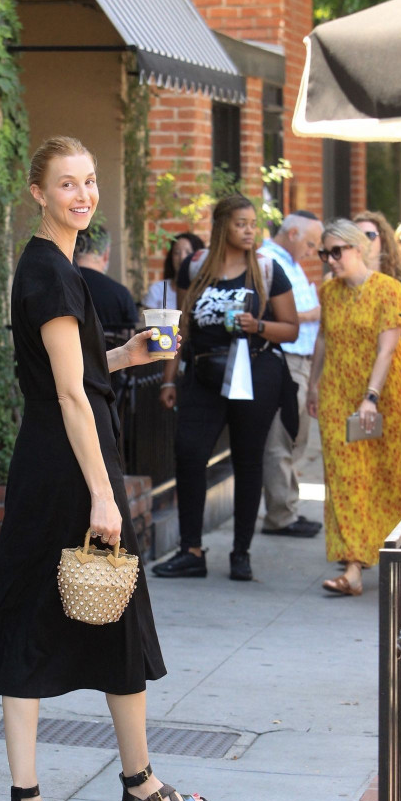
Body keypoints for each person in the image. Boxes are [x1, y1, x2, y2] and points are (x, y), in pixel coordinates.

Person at [0, 136, 209, 801]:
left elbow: (66, 375)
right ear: (37, 193)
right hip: (73, 470)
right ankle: (140, 789)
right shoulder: (51, 272)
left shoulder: (49, 267)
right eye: (67, 183)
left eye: (90, 180)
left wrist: (124, 356)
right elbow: (71, 396)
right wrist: (104, 495)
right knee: (118, 619)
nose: (83, 194)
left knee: (26, 619)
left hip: (51, 464)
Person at [153, 194, 298, 582]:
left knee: (248, 459)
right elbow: (179, 327)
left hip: (254, 372)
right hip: (203, 373)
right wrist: (169, 377)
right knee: (189, 452)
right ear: (221, 227)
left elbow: (291, 328)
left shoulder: (266, 269)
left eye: (253, 224)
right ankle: (191, 551)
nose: (250, 231)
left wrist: (259, 326)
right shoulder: (195, 267)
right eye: (240, 224)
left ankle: (241, 553)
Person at [307, 219, 401, 596]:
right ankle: (352, 569)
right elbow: (323, 338)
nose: (330, 260)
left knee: (390, 476)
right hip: (337, 394)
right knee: (344, 478)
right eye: (324, 253)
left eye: (337, 251)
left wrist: (371, 397)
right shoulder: (328, 292)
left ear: (358, 248)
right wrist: (313, 385)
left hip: (386, 396)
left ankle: (394, 556)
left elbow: (387, 349)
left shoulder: (388, 289)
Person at [260, 211, 324, 538]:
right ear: (294, 233)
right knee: (280, 438)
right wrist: (319, 310)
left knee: (295, 439)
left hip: (302, 360)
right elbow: (282, 312)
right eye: (311, 244)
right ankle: (280, 516)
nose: (312, 252)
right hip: (286, 358)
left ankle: (288, 509)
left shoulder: (291, 262)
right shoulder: (269, 259)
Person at [74, 225, 138, 348]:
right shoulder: (121, 293)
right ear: (106, 254)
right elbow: (130, 338)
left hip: (66, 357)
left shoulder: (62, 284)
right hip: (112, 358)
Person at [144, 232, 204, 311]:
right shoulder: (157, 290)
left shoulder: (206, 292)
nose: (182, 257)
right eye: (177, 253)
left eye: (188, 253)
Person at [353, 210, 401, 286]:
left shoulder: (400, 285)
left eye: (369, 235)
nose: (363, 242)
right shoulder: (343, 285)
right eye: (357, 236)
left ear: (383, 239)